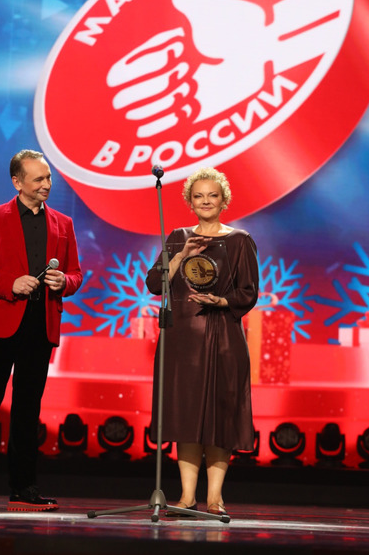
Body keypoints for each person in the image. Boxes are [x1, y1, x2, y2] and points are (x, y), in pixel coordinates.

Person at [0, 149, 83, 512]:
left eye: (48, 177)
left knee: (27, 408)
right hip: (0, 323)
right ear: (17, 182)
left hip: (41, 325)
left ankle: (23, 488)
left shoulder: (63, 223)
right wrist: (11, 284)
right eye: (38, 179)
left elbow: (76, 274)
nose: (46, 184)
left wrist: (64, 281)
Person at [146, 166, 258, 517]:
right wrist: (180, 255)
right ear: (189, 202)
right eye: (199, 196)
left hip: (223, 338)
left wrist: (221, 301)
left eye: (212, 195)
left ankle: (215, 498)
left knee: (219, 418)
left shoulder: (240, 240)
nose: (206, 201)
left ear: (224, 200)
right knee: (187, 417)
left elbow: (249, 291)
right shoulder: (177, 237)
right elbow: (155, 283)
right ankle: (185, 497)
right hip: (182, 340)